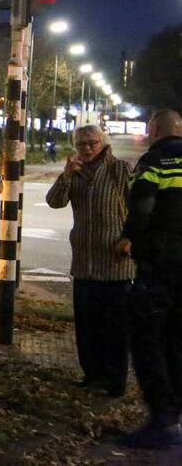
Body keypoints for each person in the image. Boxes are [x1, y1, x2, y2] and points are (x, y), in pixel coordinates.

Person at [45, 124, 133, 397]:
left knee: (114, 327)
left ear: (102, 142)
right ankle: (92, 375)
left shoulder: (120, 169)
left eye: (92, 143)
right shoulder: (76, 172)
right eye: (81, 144)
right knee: (87, 325)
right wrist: (66, 176)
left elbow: (138, 208)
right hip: (84, 262)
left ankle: (114, 380)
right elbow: (54, 201)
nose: (87, 148)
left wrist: (129, 238)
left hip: (114, 264)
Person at [121, 109, 182, 449]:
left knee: (148, 341)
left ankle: (162, 419)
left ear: (155, 129)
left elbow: (141, 206)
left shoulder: (155, 161)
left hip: (159, 268)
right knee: (177, 341)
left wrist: (131, 238)